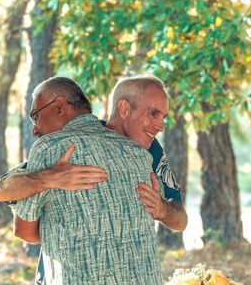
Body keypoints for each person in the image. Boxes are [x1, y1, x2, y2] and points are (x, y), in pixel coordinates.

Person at [12, 76, 163, 284]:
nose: (35, 129)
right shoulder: (138, 152)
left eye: (35, 116)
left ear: (59, 105)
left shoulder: (49, 148)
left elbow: (24, 231)